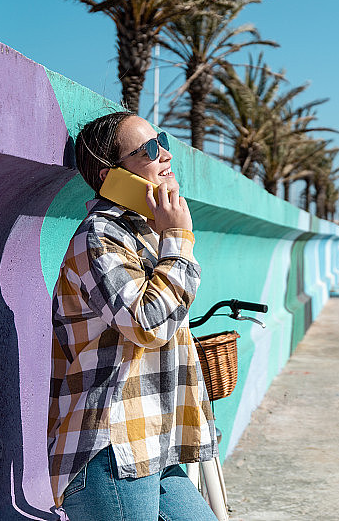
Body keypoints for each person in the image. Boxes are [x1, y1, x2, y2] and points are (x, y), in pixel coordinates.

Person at [48, 111, 218, 520]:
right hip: (111, 450)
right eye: (148, 150)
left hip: (154, 446)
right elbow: (148, 323)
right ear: (112, 176)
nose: (165, 155)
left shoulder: (147, 230)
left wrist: (168, 235)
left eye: (162, 140)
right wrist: (178, 239)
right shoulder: (100, 236)